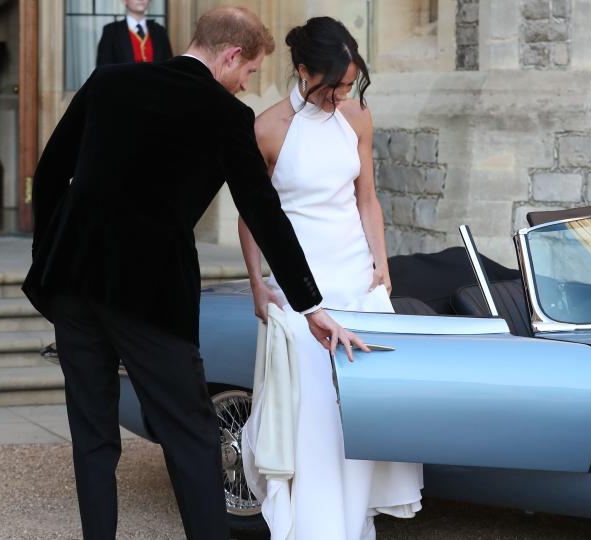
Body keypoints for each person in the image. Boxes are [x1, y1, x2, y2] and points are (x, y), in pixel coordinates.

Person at [22, 7, 366, 540]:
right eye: (249, 71)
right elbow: (263, 213)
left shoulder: (110, 80)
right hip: (148, 293)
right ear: (231, 56)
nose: (246, 82)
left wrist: (48, 254)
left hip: (72, 282)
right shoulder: (225, 116)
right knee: (192, 434)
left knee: (92, 435)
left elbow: (49, 173)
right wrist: (309, 304)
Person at [239, 16, 423, 540]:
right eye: (334, 85)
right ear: (303, 71)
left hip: (355, 280)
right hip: (301, 289)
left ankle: (354, 523)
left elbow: (367, 196)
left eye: (349, 84)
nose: (343, 94)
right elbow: (253, 213)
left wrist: (381, 266)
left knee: (361, 411)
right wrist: (257, 282)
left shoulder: (357, 116)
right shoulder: (268, 128)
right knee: (313, 414)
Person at [96, 0, 173, 66]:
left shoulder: (160, 31)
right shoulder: (111, 32)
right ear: (124, 1)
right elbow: (104, 70)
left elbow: (169, 66)